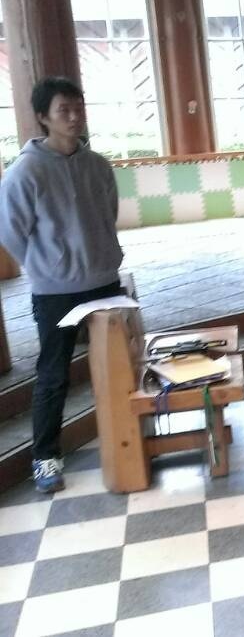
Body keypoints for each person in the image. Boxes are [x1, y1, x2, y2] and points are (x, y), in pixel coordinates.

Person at [0, 77, 123, 493]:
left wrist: (101, 255)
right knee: (53, 374)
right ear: (43, 117)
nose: (73, 117)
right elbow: (12, 233)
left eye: (78, 108)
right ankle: (45, 458)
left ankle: (127, 438)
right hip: (55, 291)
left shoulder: (98, 165)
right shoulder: (25, 172)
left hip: (104, 280)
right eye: (63, 111)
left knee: (121, 363)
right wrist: (48, 265)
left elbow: (108, 214)